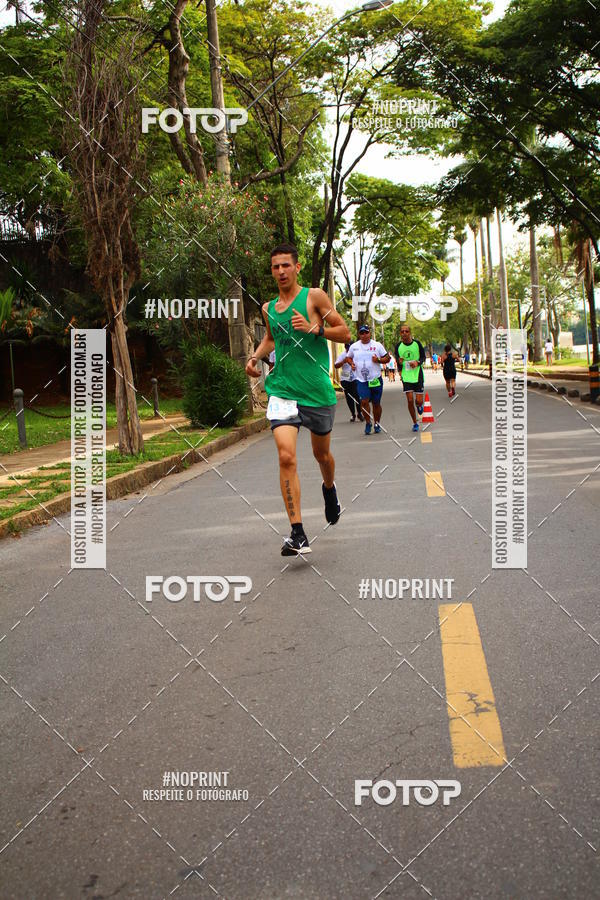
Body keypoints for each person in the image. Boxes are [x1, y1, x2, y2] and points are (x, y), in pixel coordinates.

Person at [246, 243, 351, 556]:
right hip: (282, 391)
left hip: (316, 391)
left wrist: (315, 329)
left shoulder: (315, 297)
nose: (280, 271)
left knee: (322, 455)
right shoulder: (268, 308)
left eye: (285, 266)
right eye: (275, 267)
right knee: (286, 456)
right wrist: (254, 357)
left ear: (297, 267)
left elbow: (344, 332)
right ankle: (297, 532)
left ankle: (329, 490)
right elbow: (270, 337)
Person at [346, 324, 390, 435]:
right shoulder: (354, 346)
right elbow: (348, 357)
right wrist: (351, 364)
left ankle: (377, 423)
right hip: (361, 380)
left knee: (376, 403)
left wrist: (378, 360)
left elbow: (387, 358)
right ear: (359, 334)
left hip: (375, 378)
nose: (364, 335)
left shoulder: (377, 345)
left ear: (369, 333)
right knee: (364, 401)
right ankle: (367, 422)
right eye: (362, 333)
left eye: (366, 332)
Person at [395, 324, 426, 432]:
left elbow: (423, 357)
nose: (404, 333)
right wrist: (399, 366)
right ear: (400, 333)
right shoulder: (398, 346)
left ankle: (419, 406)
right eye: (402, 331)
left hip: (417, 374)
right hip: (406, 375)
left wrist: (417, 362)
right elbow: (397, 359)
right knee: (409, 400)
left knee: (418, 401)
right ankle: (414, 422)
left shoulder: (417, 344)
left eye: (406, 331)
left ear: (410, 333)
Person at [335, 343, 363, 422]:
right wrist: (343, 361)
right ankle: (353, 414)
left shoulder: (356, 354)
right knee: (349, 397)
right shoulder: (342, 355)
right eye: (347, 348)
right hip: (345, 377)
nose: (348, 349)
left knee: (357, 396)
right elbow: (336, 365)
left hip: (355, 377)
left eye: (350, 347)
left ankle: (359, 413)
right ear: (345, 347)